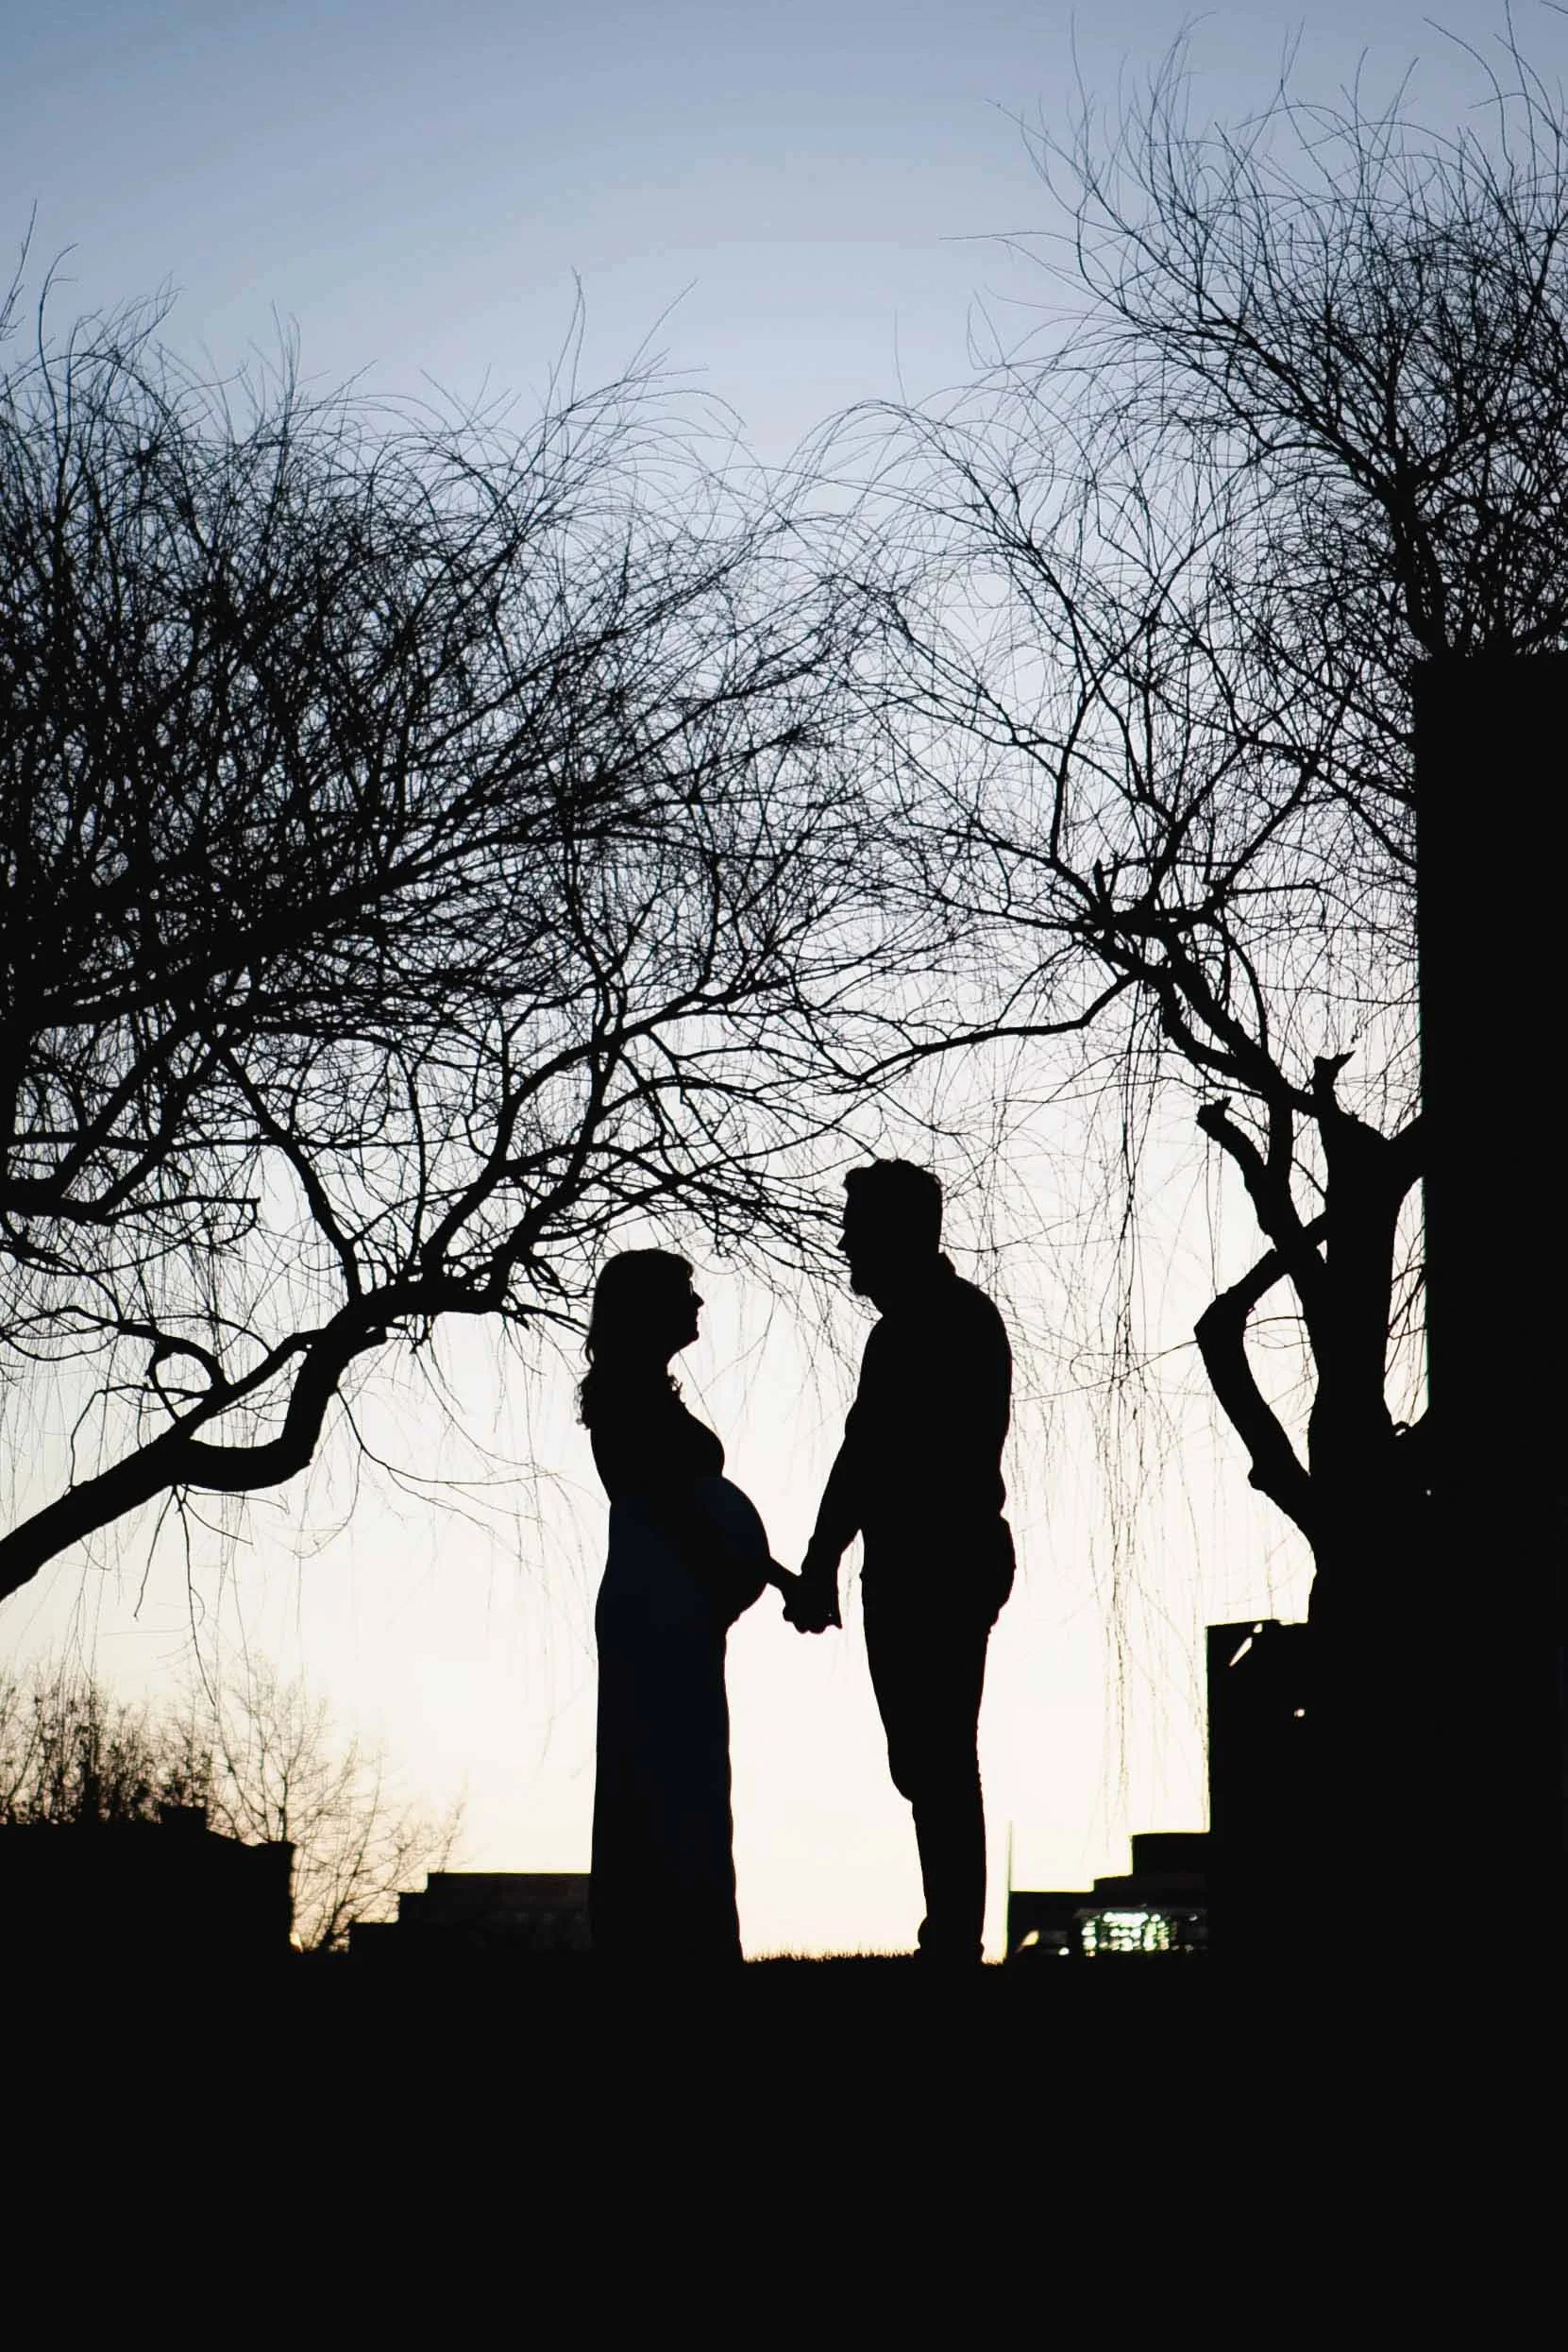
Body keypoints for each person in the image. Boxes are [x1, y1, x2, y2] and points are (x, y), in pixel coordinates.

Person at [785, 1161, 1014, 1967]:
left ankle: (952, 1936)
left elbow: (872, 1456)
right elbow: (864, 1455)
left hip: (938, 1563)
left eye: (857, 1225)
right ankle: (949, 1930)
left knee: (939, 1753)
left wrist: (820, 1560)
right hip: (912, 1562)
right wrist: (824, 1561)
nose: (845, 1240)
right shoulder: (911, 1325)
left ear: (898, 1233)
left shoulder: (944, 1321)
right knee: (924, 1757)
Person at [582, 1248, 792, 1966]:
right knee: (667, 1769)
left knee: (684, 1767)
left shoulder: (638, 1392)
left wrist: (768, 1575)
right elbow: (672, 1505)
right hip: (657, 1604)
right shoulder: (625, 1393)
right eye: (685, 1293)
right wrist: (744, 1569)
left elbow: (684, 1507)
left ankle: (677, 1934)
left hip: (672, 1604)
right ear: (647, 1307)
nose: (698, 1305)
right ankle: (668, 1942)